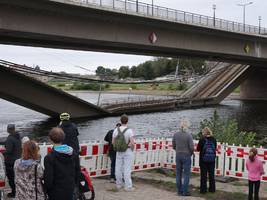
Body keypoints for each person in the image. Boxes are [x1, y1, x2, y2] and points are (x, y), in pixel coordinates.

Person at [44, 127, 79, 200]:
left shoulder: (49, 157)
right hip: (70, 188)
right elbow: (77, 170)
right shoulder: (73, 153)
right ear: (63, 138)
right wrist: (74, 185)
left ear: (50, 140)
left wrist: (46, 190)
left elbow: (49, 179)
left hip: (55, 191)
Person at [112, 114, 135, 191]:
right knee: (127, 169)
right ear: (127, 121)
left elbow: (113, 142)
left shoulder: (116, 130)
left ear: (120, 121)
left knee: (118, 168)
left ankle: (118, 184)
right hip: (127, 151)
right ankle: (128, 186)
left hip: (119, 151)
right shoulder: (129, 130)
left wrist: (118, 146)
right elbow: (132, 142)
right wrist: (129, 147)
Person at [172, 119, 194, 196]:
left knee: (178, 174)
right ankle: (185, 192)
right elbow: (191, 147)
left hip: (178, 155)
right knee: (186, 174)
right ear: (187, 126)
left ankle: (179, 191)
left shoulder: (175, 134)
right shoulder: (189, 135)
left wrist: (177, 150)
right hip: (186, 155)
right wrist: (191, 153)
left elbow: (173, 145)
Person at [3, 124, 21, 198]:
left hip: (10, 162)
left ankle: (14, 193)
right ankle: (18, 191)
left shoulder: (10, 138)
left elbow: (9, 151)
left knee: (11, 178)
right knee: (16, 178)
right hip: (17, 160)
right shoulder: (18, 137)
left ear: (8, 130)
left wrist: (2, 152)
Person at [197, 127, 217, 194]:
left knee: (203, 175)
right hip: (212, 160)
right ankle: (212, 189)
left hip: (203, 160)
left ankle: (203, 190)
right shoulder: (213, 139)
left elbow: (198, 149)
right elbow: (215, 148)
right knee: (211, 175)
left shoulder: (202, 139)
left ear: (204, 133)